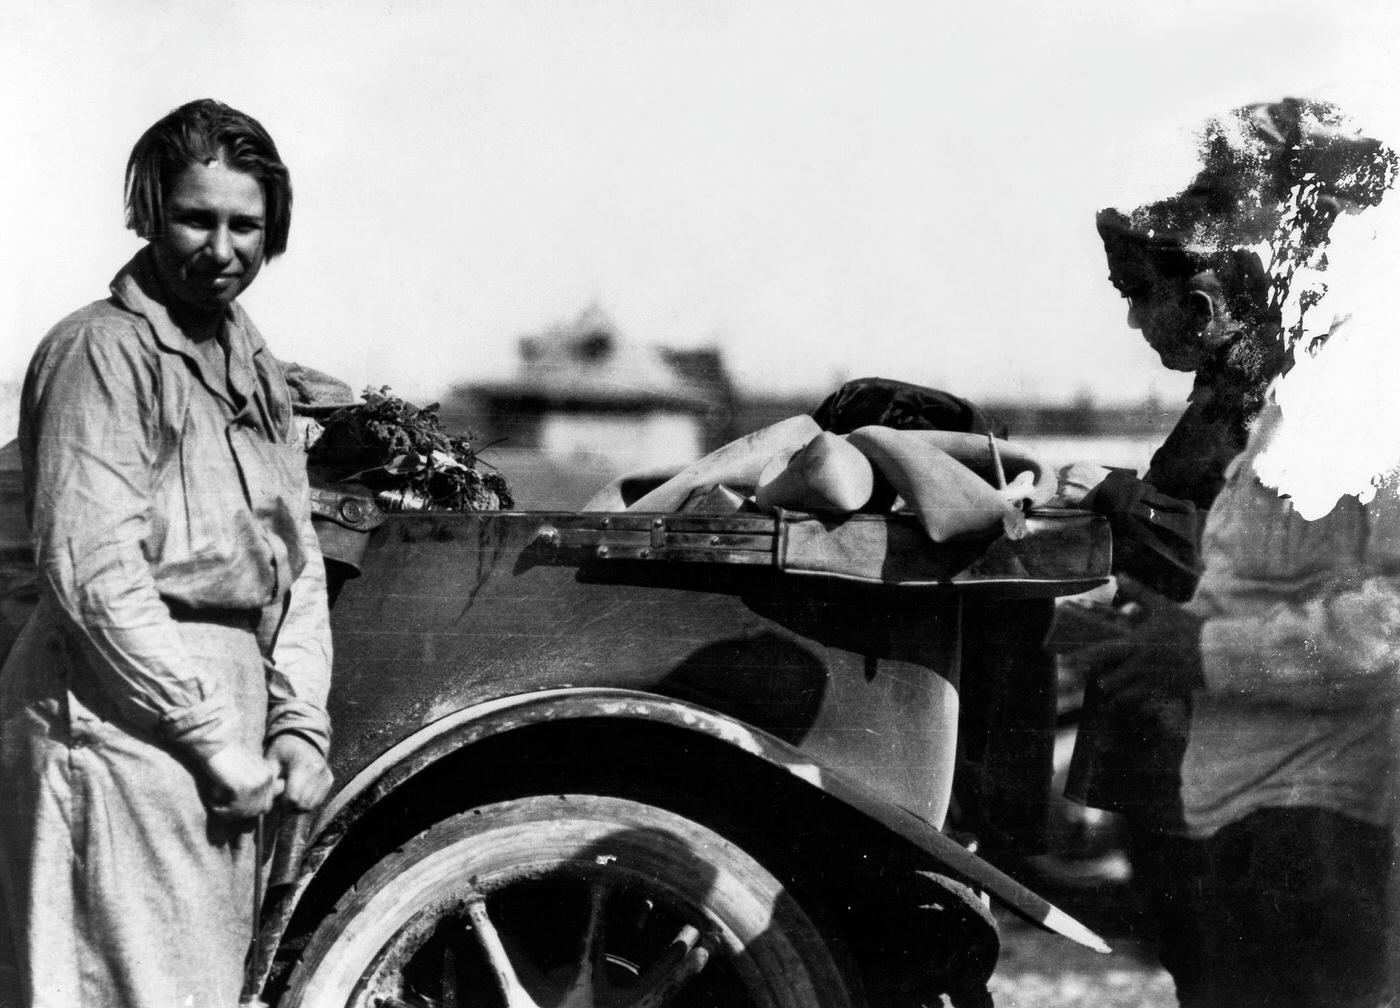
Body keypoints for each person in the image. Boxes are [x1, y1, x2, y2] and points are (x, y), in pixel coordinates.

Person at [1065, 98, 1400, 1007]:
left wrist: (1194, 643)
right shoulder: (1278, 404)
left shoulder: (1352, 400)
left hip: (1306, 801)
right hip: (1225, 785)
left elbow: (1384, 625)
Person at [0, 99, 334, 1007]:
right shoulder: (99, 352)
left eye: (246, 225)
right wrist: (208, 737)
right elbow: (93, 574)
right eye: (196, 217)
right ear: (148, 210)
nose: (220, 248)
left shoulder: (255, 370)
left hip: (219, 737)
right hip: (117, 721)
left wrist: (298, 726)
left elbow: (293, 564)